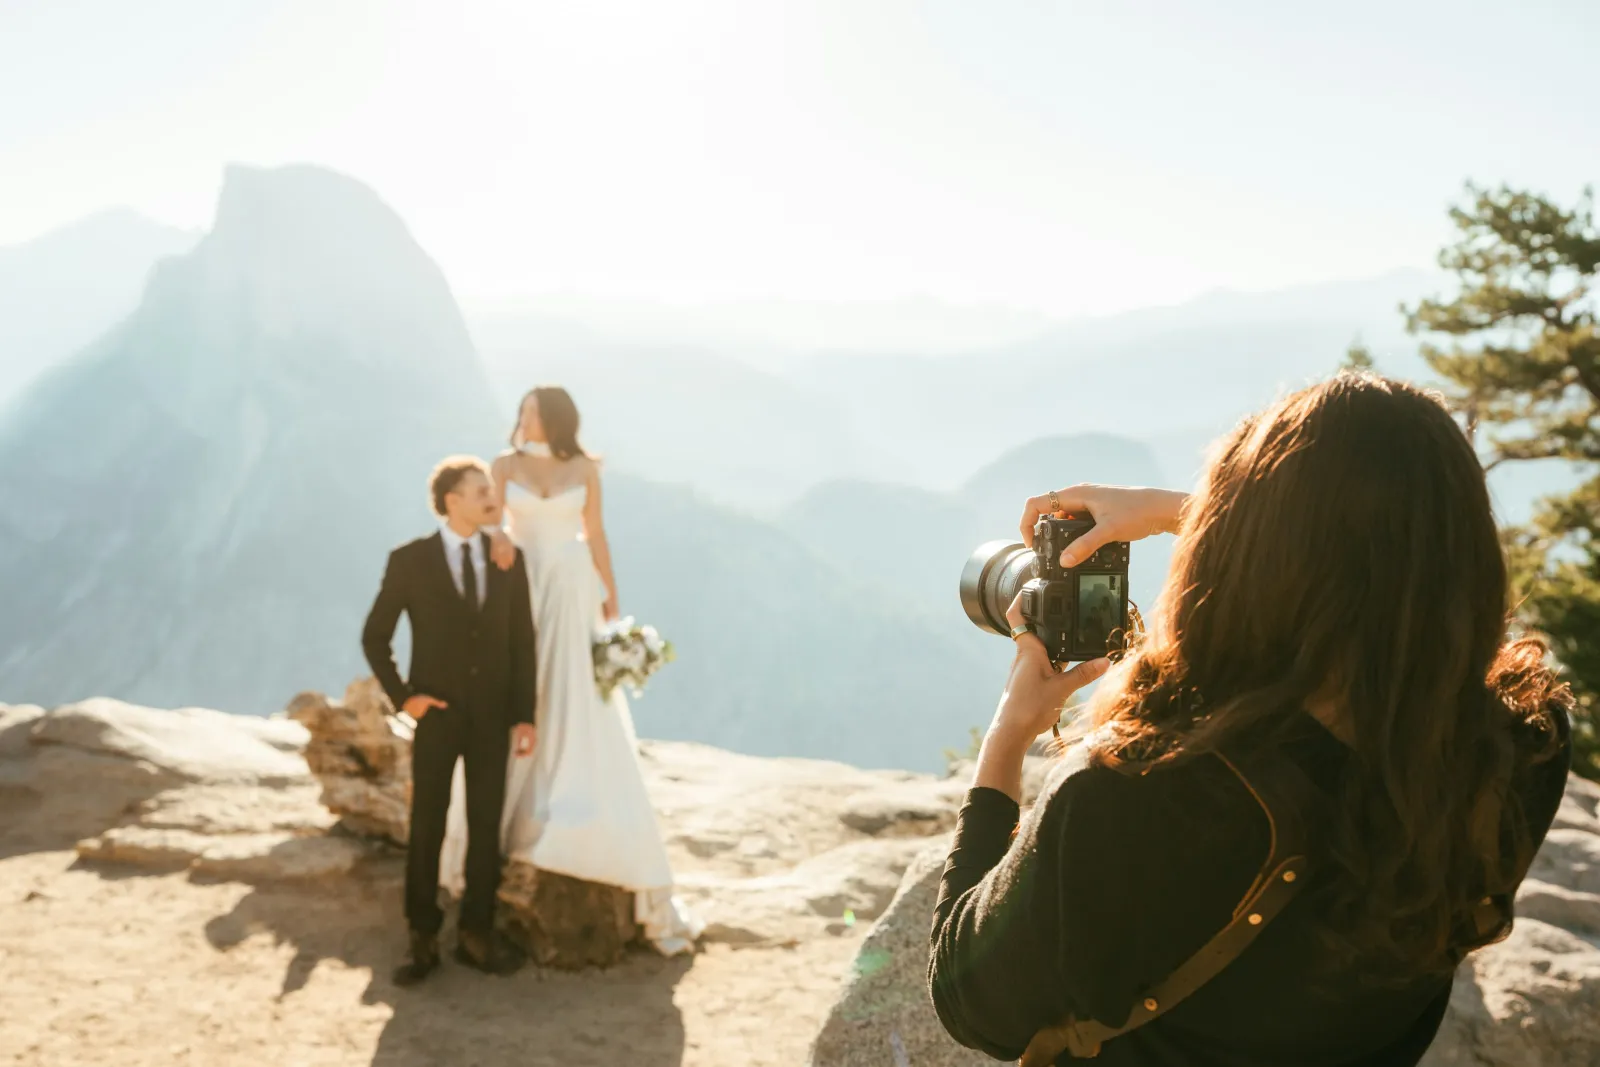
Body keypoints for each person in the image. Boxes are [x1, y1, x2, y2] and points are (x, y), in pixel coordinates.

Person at [928, 374, 1572, 1066]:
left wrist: (1008, 737)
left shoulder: (1130, 794)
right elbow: (1385, 571)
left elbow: (970, 1003)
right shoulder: (1522, 744)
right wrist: (1193, 511)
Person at [437, 385, 702, 954]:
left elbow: (595, 531)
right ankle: (503, 819)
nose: (521, 418)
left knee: (576, 691)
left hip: (574, 581)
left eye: (531, 411)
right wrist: (500, 536)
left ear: (551, 418)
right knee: (522, 688)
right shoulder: (503, 465)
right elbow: (484, 520)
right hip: (521, 584)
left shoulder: (586, 466)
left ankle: (574, 797)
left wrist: (610, 592)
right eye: (521, 411)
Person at [361, 456, 538, 986]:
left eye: (491, 487)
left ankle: (476, 936)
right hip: (436, 716)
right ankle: (422, 938)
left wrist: (524, 715)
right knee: (427, 827)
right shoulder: (409, 560)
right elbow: (375, 637)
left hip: (492, 718)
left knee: (487, 828)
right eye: (480, 489)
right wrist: (405, 699)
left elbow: (521, 642)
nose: (492, 496)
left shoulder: (508, 557)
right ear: (451, 501)